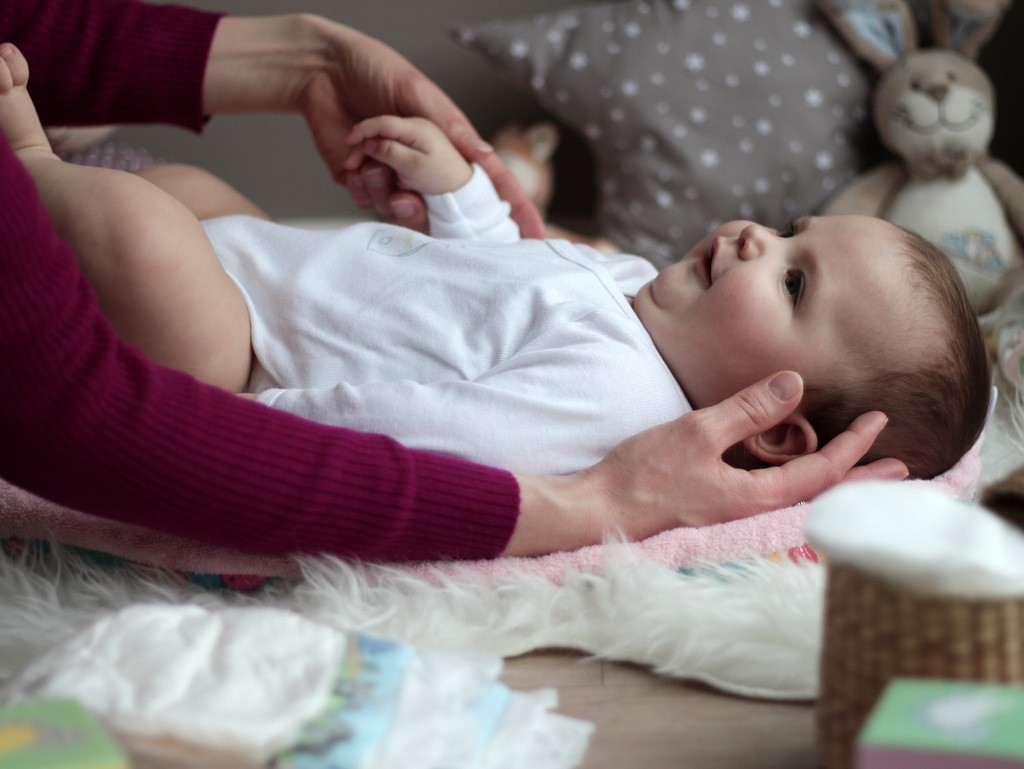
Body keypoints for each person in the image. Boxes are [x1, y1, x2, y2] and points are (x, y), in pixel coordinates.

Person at [0, 3, 907, 564]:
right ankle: (91, 187)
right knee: (193, 200)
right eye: (791, 229)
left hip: (236, 360)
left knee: (147, 234)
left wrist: (263, 426)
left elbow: (435, 430)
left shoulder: (618, 394)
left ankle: (32, 161)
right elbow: (505, 271)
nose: (758, 235)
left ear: (775, 424)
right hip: (266, 277)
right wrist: (457, 192)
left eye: (792, 281)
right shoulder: (638, 289)